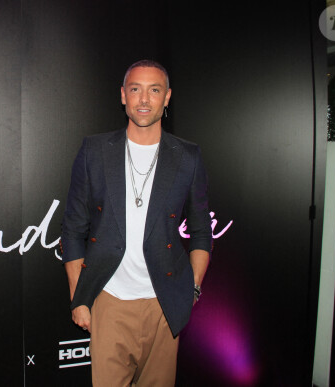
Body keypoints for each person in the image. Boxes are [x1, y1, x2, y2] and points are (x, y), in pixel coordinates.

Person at [60, 59, 213, 386]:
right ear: (123, 96)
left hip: (165, 304)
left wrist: (193, 287)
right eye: (136, 89)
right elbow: (73, 229)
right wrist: (80, 297)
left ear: (167, 97)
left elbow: (201, 232)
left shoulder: (188, 156)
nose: (144, 99)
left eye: (154, 90)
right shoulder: (95, 150)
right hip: (110, 300)